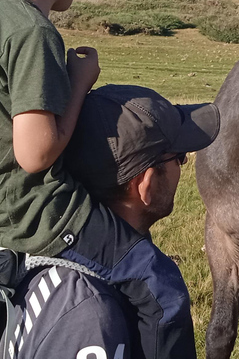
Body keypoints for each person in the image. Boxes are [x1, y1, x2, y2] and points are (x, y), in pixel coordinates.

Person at [0, 0, 197, 358]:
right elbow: (36, 153)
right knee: (160, 287)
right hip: (40, 213)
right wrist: (80, 84)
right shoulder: (32, 31)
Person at [2, 84, 220, 358]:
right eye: (179, 158)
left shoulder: (53, 262)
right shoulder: (92, 315)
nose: (184, 163)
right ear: (146, 185)